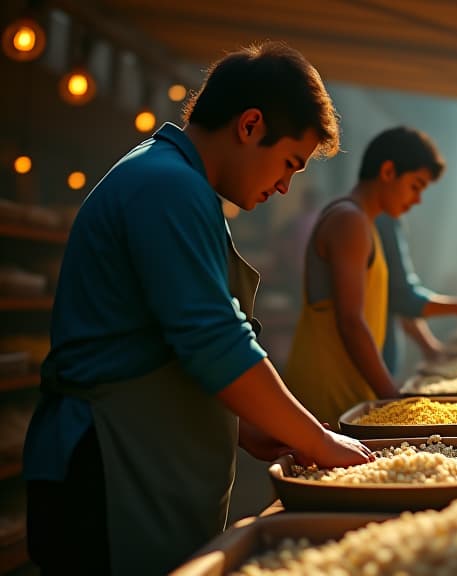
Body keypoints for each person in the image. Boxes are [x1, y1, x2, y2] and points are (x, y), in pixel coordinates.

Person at [21, 42, 374, 576]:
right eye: (288, 164)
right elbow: (215, 342)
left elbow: (164, 341)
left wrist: (248, 425)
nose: (284, 185)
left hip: (144, 465)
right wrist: (318, 441)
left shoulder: (185, 189)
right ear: (250, 125)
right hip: (108, 469)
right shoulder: (166, 186)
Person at [286, 127, 457, 426]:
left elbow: (387, 299)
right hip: (327, 389)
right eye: (416, 185)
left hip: (349, 387)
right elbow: (351, 321)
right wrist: (392, 395)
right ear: (388, 171)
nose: (418, 199)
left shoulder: (368, 224)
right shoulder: (349, 221)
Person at [375, 213, 457, 374]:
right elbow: (403, 297)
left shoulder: (383, 220)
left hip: (384, 365)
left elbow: (395, 296)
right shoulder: (378, 221)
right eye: (415, 187)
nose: (417, 199)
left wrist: (429, 347)